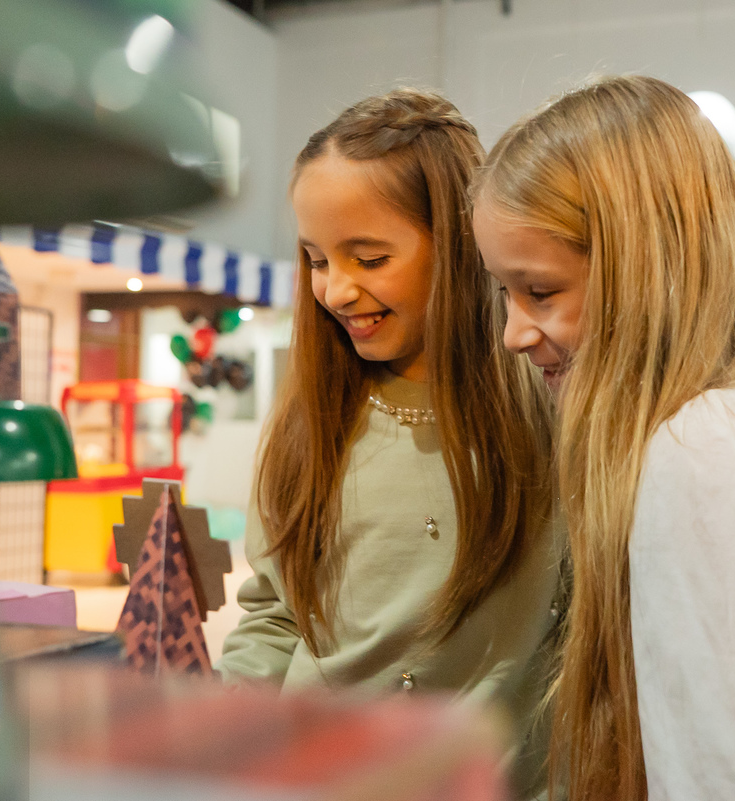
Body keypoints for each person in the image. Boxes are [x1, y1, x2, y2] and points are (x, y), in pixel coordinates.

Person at [473, 75, 735, 801]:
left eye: (541, 291)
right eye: (505, 291)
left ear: (647, 268)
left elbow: (730, 775)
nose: (512, 333)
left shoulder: (707, 445)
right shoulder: (719, 424)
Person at [218, 90, 562, 798]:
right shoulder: (307, 423)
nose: (336, 291)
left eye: (369, 258)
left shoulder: (555, 415)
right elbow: (275, 613)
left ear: (465, 246)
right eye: (315, 260)